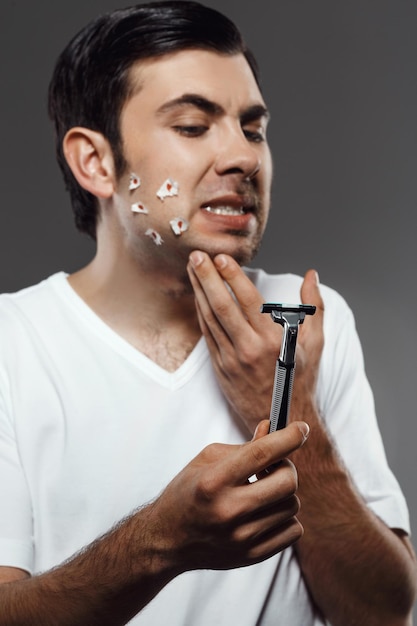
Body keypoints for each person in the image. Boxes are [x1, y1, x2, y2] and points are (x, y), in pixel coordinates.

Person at [0, 1, 415, 624]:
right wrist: (160, 542)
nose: (244, 158)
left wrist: (287, 405)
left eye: (253, 128)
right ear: (96, 162)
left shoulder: (307, 319)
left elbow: (384, 612)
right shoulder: (13, 344)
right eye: (194, 126)